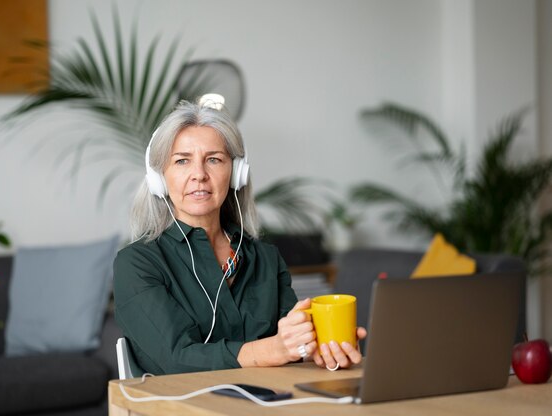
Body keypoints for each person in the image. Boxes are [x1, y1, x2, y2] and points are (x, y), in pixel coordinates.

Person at [113, 96, 366, 376]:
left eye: (214, 160)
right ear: (159, 178)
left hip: (266, 401)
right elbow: (178, 357)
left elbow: (293, 344)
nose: (199, 174)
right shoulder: (137, 263)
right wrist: (275, 349)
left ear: (235, 174)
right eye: (182, 161)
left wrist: (318, 347)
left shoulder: (265, 258)